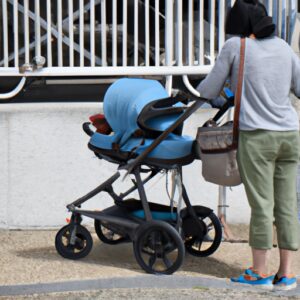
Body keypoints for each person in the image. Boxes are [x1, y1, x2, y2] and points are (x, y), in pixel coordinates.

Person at [197, 0, 300, 290]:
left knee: (262, 205)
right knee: (287, 206)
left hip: (257, 138)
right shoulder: (283, 47)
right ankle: (287, 275)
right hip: (290, 136)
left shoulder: (236, 46)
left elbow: (208, 90)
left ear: (240, 27)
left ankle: (259, 272)